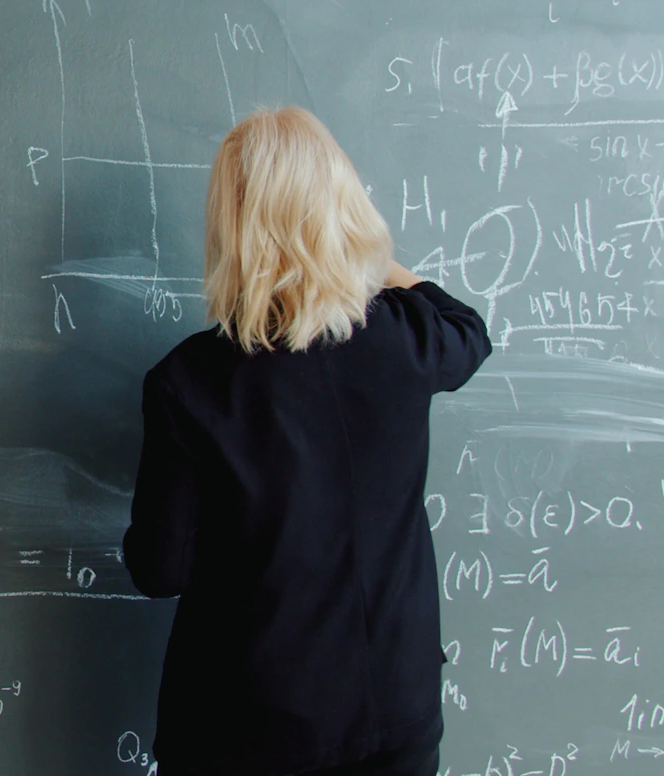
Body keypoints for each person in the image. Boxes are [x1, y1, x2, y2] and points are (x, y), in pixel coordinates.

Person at [122, 107, 490, 776]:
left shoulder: (190, 382)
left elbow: (160, 570)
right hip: (395, 713)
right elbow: (467, 326)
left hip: (249, 725)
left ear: (228, 226)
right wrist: (359, 256)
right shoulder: (407, 339)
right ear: (341, 208)